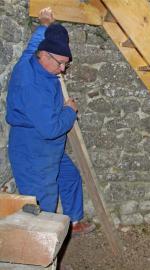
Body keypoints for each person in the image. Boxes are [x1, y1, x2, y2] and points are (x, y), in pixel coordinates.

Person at [6, 8, 94, 235]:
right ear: (44, 56)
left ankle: (72, 222)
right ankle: (43, 249)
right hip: (34, 146)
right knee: (44, 201)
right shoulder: (32, 85)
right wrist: (70, 110)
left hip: (49, 146)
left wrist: (46, 25)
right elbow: (51, 128)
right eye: (60, 64)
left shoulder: (34, 57)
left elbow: (34, 43)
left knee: (70, 177)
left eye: (66, 63)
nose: (63, 70)